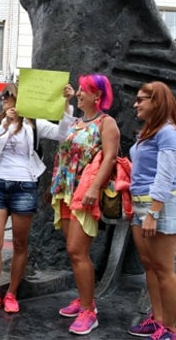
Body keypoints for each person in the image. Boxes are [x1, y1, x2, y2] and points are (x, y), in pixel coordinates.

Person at [0, 82, 75, 316]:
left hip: (24, 185)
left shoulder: (34, 123)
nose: (3, 99)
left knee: (20, 244)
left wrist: (68, 104)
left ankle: (11, 293)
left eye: (7, 95)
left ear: (19, 98)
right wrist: (6, 123)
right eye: (2, 96)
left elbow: (63, 134)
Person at [50, 74, 120, 335]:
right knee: (73, 252)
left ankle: (89, 311)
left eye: (83, 90)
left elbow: (110, 158)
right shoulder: (77, 122)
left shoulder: (106, 122)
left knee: (77, 251)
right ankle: (82, 299)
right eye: (78, 90)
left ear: (97, 95)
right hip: (65, 191)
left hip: (84, 192)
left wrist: (93, 187)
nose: (79, 94)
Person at [127, 81, 176, 340]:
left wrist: (153, 212)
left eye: (141, 99)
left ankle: (170, 330)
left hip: (159, 206)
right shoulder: (150, 131)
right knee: (150, 267)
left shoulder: (168, 133)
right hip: (142, 205)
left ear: (157, 101)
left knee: (164, 269)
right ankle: (158, 320)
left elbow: (166, 174)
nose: (135, 104)